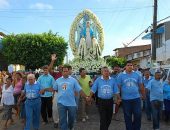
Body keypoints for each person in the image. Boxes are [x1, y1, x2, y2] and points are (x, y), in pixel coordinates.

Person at [53, 65, 89, 130]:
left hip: (71, 103)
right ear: (62, 72)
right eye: (64, 71)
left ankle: (71, 127)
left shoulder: (73, 80)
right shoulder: (58, 80)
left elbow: (79, 90)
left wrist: (86, 97)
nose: (65, 72)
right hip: (61, 103)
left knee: (72, 119)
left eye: (67, 71)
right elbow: (55, 89)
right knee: (62, 120)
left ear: (68, 71)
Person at [117, 61, 145, 130]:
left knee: (138, 115)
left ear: (132, 66)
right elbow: (118, 87)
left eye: (131, 65)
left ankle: (136, 128)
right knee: (127, 116)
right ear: (125, 67)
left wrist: (143, 95)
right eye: (128, 65)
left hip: (136, 98)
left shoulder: (137, 75)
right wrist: (118, 97)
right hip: (126, 99)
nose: (130, 66)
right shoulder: (120, 75)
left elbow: (141, 86)